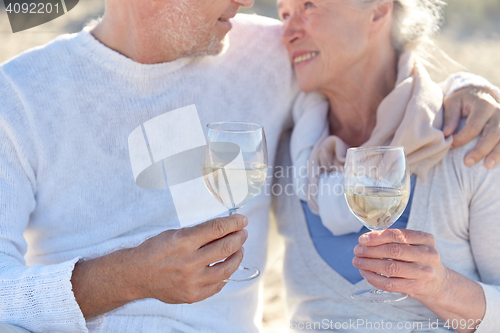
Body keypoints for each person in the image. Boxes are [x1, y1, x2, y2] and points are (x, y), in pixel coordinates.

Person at [0, 0, 498, 332]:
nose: (246, 0)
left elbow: (375, 61)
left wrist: (467, 87)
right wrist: (126, 277)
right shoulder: (21, 96)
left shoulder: (267, 52)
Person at [273, 0, 500, 332]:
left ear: (378, 10)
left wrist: (441, 288)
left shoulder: (471, 139)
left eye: (308, 5)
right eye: (284, 14)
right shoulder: (288, 154)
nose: (287, 33)